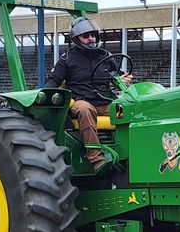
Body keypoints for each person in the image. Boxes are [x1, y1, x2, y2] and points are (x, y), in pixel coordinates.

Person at [45, 17, 132, 171]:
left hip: (105, 101)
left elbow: (117, 75)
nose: (91, 38)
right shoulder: (67, 59)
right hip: (81, 101)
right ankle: (97, 159)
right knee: (85, 110)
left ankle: (130, 154)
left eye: (93, 35)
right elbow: (52, 81)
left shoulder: (105, 56)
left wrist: (123, 79)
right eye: (86, 36)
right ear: (76, 38)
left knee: (128, 110)